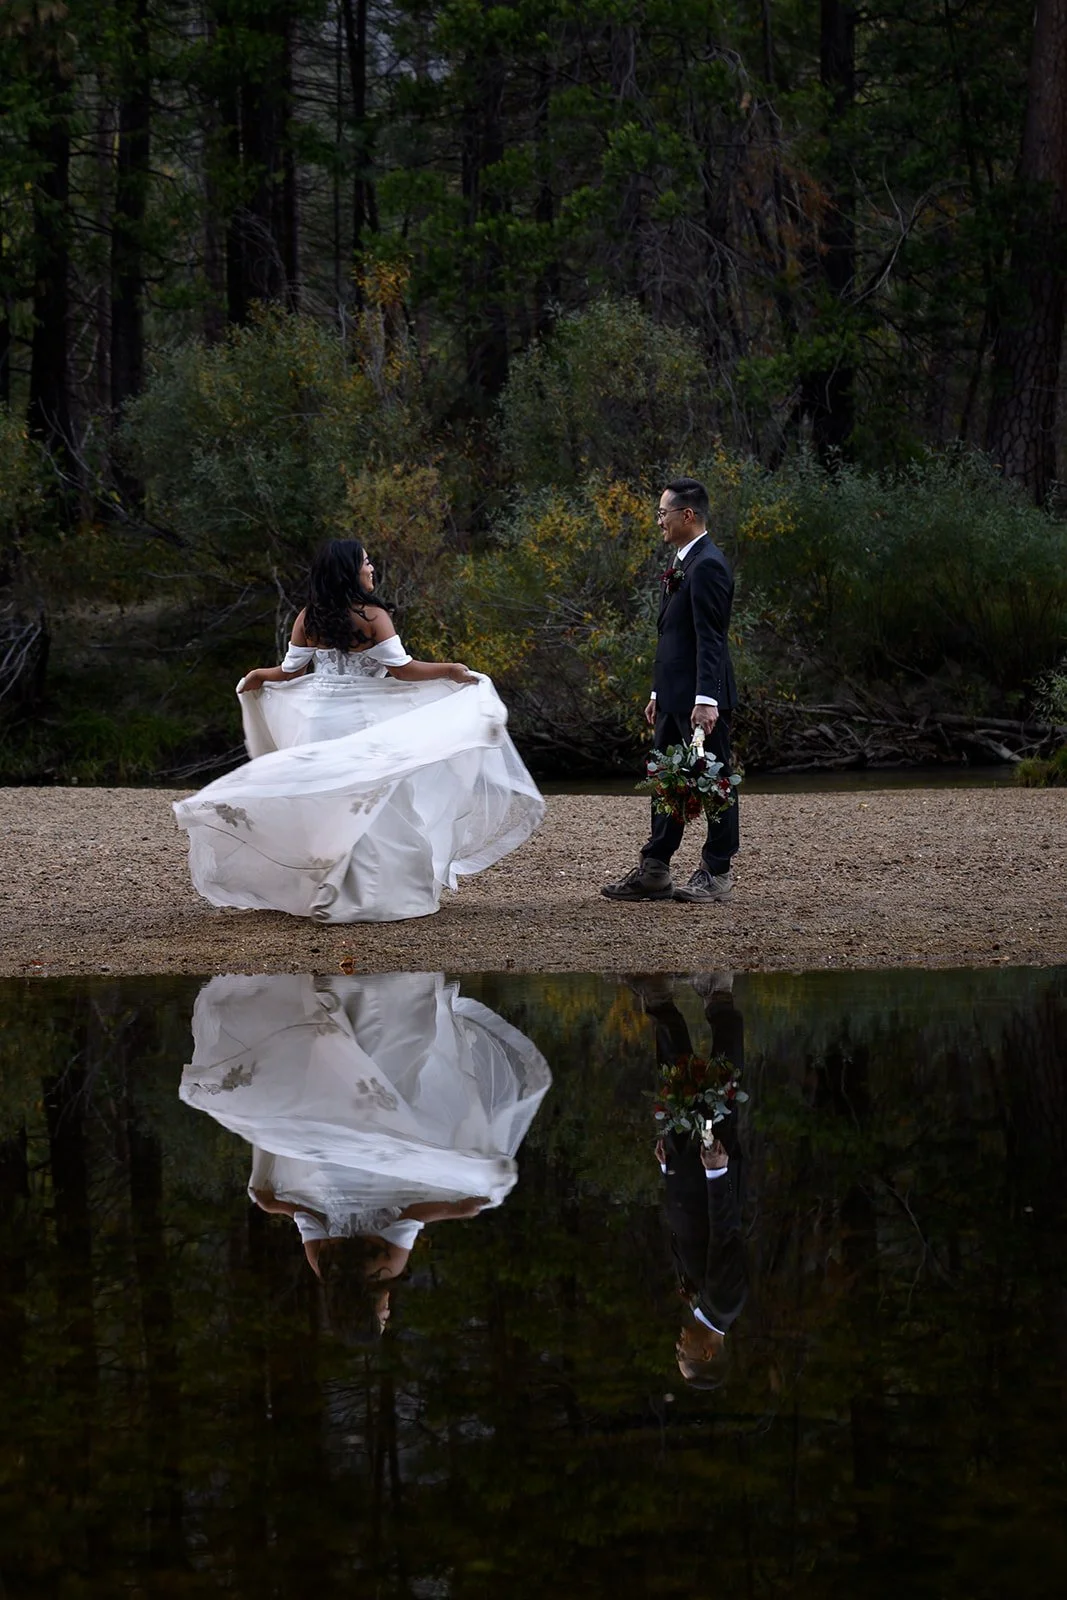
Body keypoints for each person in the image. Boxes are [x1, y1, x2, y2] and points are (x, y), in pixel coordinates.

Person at [173, 539, 544, 922]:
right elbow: (403, 669)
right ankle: (372, 895)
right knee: (376, 802)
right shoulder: (371, 616)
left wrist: (257, 677)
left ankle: (322, 889)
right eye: (366, 563)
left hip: (316, 719)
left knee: (326, 800)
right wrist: (449, 670)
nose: (371, 569)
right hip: (361, 718)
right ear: (350, 570)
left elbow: (289, 672)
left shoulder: (309, 617)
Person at [180, 972, 553, 1339]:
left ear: (368, 1309)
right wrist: (271, 1205)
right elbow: (305, 1216)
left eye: (383, 1318)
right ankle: (341, 1008)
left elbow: (411, 1217)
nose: (388, 1312)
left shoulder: (387, 1269)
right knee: (336, 1094)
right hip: (329, 1171)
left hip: (382, 1177)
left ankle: (393, 996)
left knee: (395, 1085)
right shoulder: (324, 1268)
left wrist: (461, 1209)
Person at [602, 477, 738, 904]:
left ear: (688, 515)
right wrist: (659, 692)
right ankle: (655, 870)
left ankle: (717, 872)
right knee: (666, 783)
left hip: (701, 702)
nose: (658, 520)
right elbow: (673, 637)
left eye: (663, 513)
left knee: (713, 781)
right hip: (673, 697)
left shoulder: (709, 564)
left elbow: (709, 638)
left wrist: (706, 700)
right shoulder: (683, 562)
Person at [631, 972, 747, 1386]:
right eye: (685, 1352)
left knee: (676, 1083)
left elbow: (685, 1237)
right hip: (709, 1169)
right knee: (721, 1088)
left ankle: (661, 1000)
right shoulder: (726, 1302)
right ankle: (719, 995)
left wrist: (668, 1170)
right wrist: (717, 1171)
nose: (678, 1344)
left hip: (686, 1171)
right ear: (708, 1351)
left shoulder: (705, 1304)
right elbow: (725, 1233)